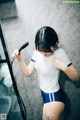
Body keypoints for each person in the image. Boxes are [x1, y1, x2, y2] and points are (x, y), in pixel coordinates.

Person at [12, 26, 79, 120]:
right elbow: (28, 73)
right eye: (41, 50)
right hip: (45, 94)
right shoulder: (37, 52)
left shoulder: (59, 53)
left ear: (55, 43)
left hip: (54, 98)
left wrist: (62, 66)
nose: (43, 53)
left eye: (47, 51)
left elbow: (76, 77)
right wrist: (20, 60)